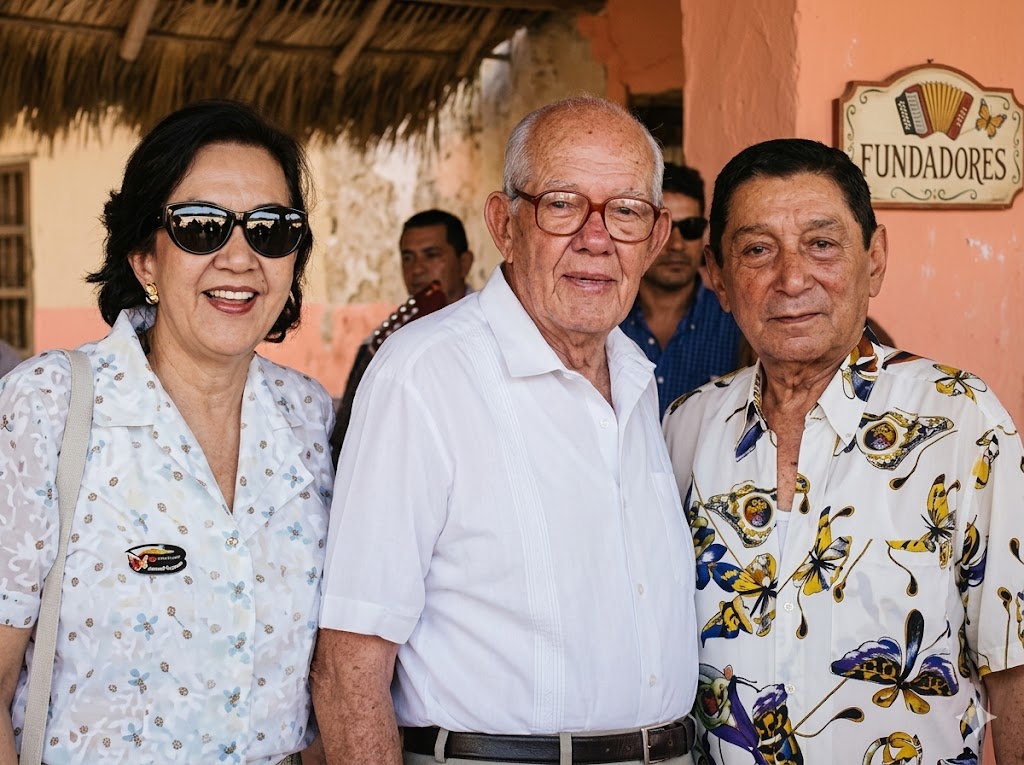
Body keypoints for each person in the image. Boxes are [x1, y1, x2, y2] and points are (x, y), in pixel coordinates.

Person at [312, 95, 699, 765]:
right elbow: (350, 667)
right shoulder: (424, 374)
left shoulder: (636, 376)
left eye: (627, 210)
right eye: (562, 204)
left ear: (657, 236)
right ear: (505, 224)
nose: (597, 238)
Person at [662, 138, 1024, 764]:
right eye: (757, 250)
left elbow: (1014, 660)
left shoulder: (958, 419)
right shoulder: (687, 426)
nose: (791, 279)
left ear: (874, 259)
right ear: (717, 276)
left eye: (822, 244)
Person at [0, 100, 335, 764]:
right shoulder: (50, 406)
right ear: (144, 258)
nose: (239, 258)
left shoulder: (308, 417)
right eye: (200, 227)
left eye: (271, 229)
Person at [329, 209, 474, 463]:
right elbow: (348, 434)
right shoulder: (383, 342)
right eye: (408, 258)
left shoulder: (490, 330)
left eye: (431, 255)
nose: (417, 269)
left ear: (464, 263)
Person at [619, 163, 743, 416]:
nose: (676, 244)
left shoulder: (736, 324)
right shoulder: (607, 322)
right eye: (662, 229)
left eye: (691, 228)